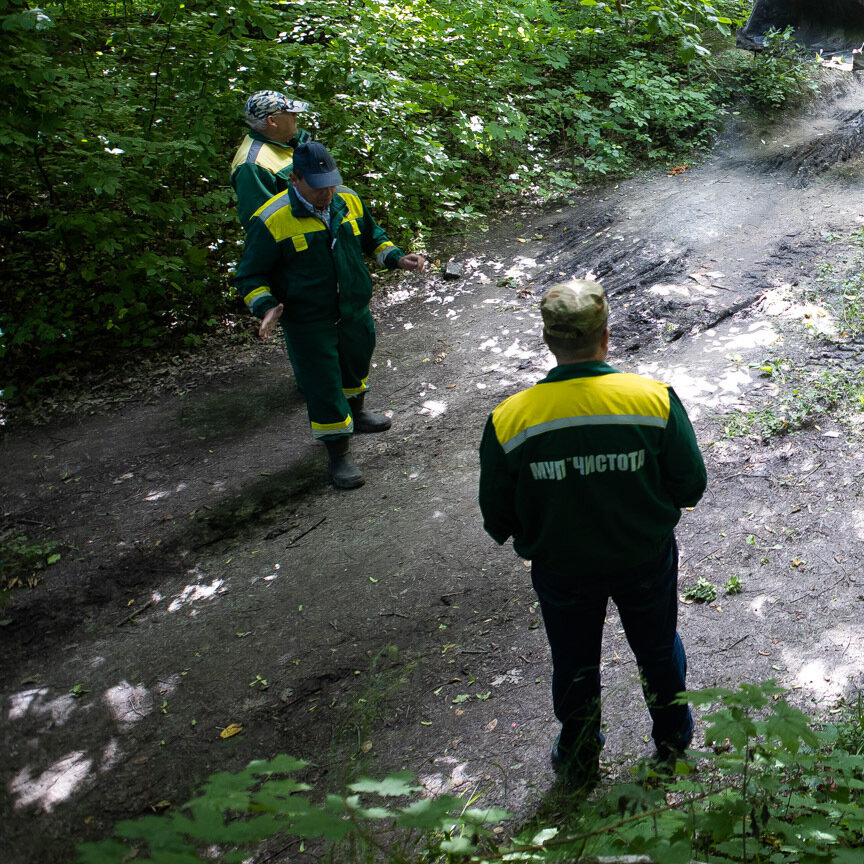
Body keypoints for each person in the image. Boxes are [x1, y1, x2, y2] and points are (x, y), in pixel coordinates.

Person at [478, 280, 708, 790]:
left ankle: (580, 758)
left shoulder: (511, 419)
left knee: (574, 661)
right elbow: (690, 483)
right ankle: (673, 741)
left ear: (548, 339)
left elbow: (496, 511)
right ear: (607, 334)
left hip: (562, 567)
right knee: (655, 648)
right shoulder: (652, 401)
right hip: (643, 556)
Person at [235, 141, 428, 489]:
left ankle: (357, 412)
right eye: (318, 185)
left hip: (353, 309)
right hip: (309, 321)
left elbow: (373, 237)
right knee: (323, 385)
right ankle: (338, 454)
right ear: (295, 179)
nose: (327, 192)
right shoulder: (272, 219)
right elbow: (250, 276)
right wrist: (265, 307)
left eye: (331, 182)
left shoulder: (348, 200)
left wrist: (398, 257)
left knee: (355, 364)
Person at [230, 90, 311, 226]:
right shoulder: (253, 165)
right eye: (290, 112)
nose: (296, 115)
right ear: (272, 120)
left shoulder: (288, 139)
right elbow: (263, 224)